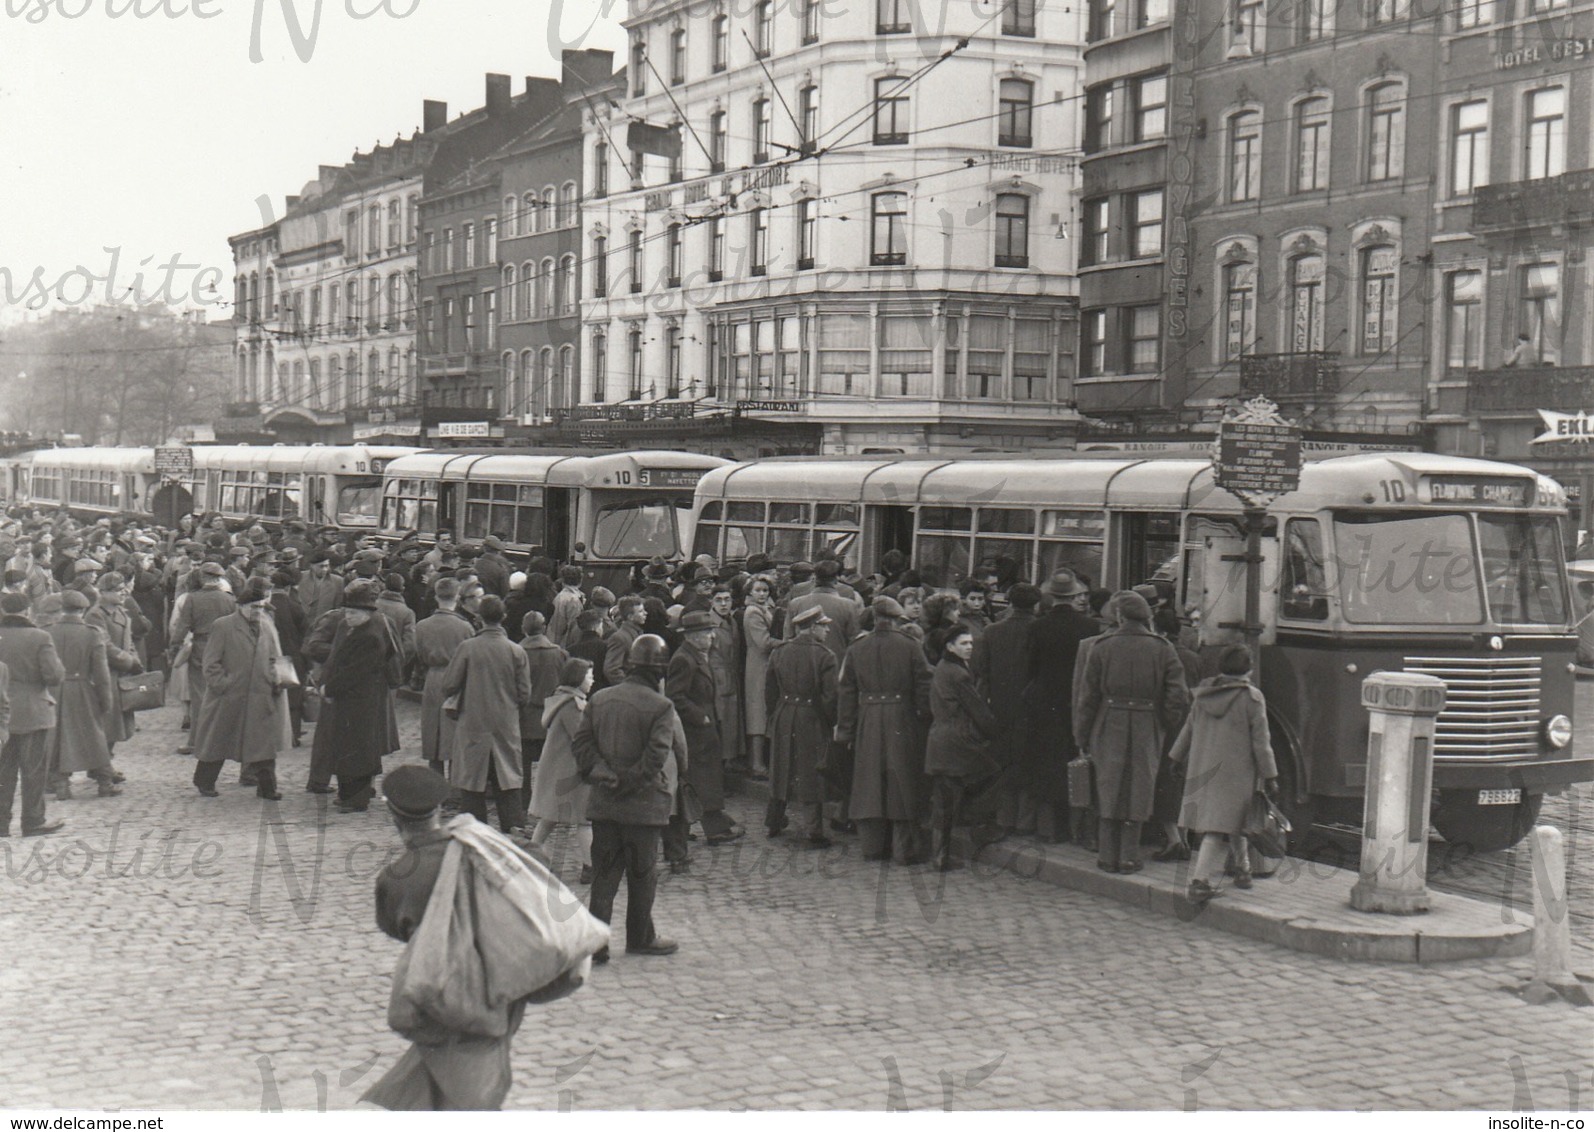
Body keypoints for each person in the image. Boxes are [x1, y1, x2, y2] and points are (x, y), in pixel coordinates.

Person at [363, 765, 603, 1111]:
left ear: (393, 816)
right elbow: (537, 860)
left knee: (462, 1088)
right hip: (500, 987)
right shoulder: (485, 845)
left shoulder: (396, 879)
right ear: (439, 808)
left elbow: (393, 927)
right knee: (462, 1078)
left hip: (442, 992)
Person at [573, 633, 682, 960]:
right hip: (643, 805)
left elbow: (581, 746)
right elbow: (656, 756)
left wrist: (605, 774)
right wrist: (629, 781)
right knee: (642, 875)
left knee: (604, 877)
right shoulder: (661, 706)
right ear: (659, 672)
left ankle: (597, 945)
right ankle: (640, 937)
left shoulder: (600, 698)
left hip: (604, 801)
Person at [1074, 591, 1190, 874]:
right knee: (1140, 787)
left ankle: (1106, 855)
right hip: (1147, 723)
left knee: (1108, 784)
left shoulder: (1101, 647)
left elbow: (1086, 698)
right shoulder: (1163, 648)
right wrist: (1164, 722)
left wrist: (1082, 735)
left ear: (1119, 616)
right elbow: (1178, 696)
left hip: (1107, 720)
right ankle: (1128, 857)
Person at [1169, 645, 1278, 904]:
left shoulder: (1205, 694)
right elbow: (1261, 742)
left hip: (1205, 769)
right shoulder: (1252, 698)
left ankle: (1243, 870)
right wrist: (1270, 774)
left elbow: (1188, 729)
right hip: (1237, 773)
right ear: (1249, 669)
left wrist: (1175, 757)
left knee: (1235, 820)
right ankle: (1200, 882)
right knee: (1218, 829)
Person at [836, 596, 933, 865]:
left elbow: (846, 693)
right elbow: (924, 684)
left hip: (868, 718)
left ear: (874, 619)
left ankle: (872, 847)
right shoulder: (910, 646)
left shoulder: (857, 648)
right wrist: (922, 715)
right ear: (896, 619)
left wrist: (846, 730)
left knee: (869, 783)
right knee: (901, 780)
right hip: (901, 718)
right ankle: (905, 850)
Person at [191, 578, 291, 801]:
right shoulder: (223, 625)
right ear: (241, 606)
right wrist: (224, 684)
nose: (257, 611)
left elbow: (276, 656)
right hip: (229, 696)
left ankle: (267, 787)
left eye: (261, 607)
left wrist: (277, 680)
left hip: (261, 694)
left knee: (263, 745)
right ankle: (204, 781)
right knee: (217, 741)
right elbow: (210, 663)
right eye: (253, 607)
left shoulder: (267, 625)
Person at [1020, 569, 1099, 844]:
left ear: (1051, 596)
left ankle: (1050, 828)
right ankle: (1077, 826)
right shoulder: (1090, 627)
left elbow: (1030, 668)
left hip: (1045, 702)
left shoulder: (1037, 627)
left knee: (1047, 761)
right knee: (1075, 759)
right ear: (1075, 595)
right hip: (1077, 701)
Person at [442, 595, 532, 834]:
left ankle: (475, 837)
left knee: (472, 785)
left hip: (473, 722)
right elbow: (525, 694)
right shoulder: (516, 651)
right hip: (505, 723)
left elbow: (449, 684)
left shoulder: (467, 648)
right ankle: (514, 838)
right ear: (503, 617)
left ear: (479, 618)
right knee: (509, 783)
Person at [315, 579, 405, 813]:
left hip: (359, 700)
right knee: (355, 748)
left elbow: (353, 671)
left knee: (356, 750)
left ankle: (355, 799)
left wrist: (329, 688)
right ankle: (351, 795)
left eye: (353, 613)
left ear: (366, 612)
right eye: (347, 612)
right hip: (359, 699)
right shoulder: (368, 627)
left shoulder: (369, 637)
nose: (348, 617)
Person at [665, 609, 743, 866]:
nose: (711, 636)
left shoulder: (697, 655)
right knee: (702, 777)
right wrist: (700, 716)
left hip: (705, 725)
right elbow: (676, 696)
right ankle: (713, 827)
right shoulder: (684, 660)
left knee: (705, 776)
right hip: (695, 728)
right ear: (693, 636)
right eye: (707, 632)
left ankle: (706, 822)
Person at [926, 624, 1004, 871]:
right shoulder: (959, 674)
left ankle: (940, 855)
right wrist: (994, 730)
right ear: (950, 647)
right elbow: (977, 709)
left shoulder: (943, 667)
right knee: (993, 774)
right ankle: (980, 830)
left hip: (939, 738)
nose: (970, 647)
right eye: (964, 644)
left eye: (971, 643)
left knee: (945, 799)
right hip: (958, 740)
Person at [971, 581, 1042, 834]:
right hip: (1031, 707)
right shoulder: (1038, 630)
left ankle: (1004, 817)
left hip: (1000, 706)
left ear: (1009, 602)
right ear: (1036, 604)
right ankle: (1025, 821)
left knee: (1002, 762)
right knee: (1028, 762)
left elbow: (981, 671)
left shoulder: (991, 631)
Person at [763, 605, 838, 846]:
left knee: (781, 766)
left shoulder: (780, 652)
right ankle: (813, 830)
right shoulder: (826, 655)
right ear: (813, 627)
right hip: (811, 717)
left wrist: (776, 714)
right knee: (810, 770)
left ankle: (773, 821)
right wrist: (830, 721)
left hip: (784, 713)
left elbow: (770, 690)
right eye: (824, 626)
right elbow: (831, 697)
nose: (826, 630)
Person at [0, 591, 63, 836]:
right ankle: (33, 820)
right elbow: (53, 676)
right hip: (34, 710)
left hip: (2, 714)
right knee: (34, 770)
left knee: (3, 771)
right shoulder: (40, 637)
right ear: (28, 611)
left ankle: (1, 823)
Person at [527, 657, 595, 883]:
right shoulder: (572, 705)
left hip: (558, 769)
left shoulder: (560, 700)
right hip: (572, 771)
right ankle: (589, 866)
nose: (592, 679)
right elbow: (581, 738)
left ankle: (531, 859)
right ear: (578, 679)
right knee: (584, 819)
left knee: (549, 817)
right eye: (589, 675)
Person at [48, 590, 119, 800]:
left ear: (62, 609)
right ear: (83, 610)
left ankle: (61, 784)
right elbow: (101, 673)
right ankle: (105, 783)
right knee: (94, 736)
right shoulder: (92, 633)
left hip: (55, 691)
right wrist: (106, 700)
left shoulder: (48, 631)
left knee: (59, 737)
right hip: (82, 689)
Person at [168, 561, 237, 755]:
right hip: (224, 649)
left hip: (200, 648)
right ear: (219, 578)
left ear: (203, 577)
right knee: (223, 693)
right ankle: (225, 739)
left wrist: (174, 647)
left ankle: (197, 741)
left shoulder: (192, 599)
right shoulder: (229, 599)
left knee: (199, 696)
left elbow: (182, 627)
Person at [414, 578, 475, 779]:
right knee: (455, 732)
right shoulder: (464, 627)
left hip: (433, 677)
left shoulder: (422, 626)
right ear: (457, 597)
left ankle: (435, 782)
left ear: (436, 596)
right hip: (458, 679)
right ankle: (456, 787)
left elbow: (419, 655)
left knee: (433, 731)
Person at [518, 611, 568, 808]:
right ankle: (551, 800)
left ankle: (524, 801)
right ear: (545, 627)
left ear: (524, 629)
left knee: (522, 763)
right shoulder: (558, 653)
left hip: (524, 715)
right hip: (551, 714)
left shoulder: (517, 652)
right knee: (553, 761)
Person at [740, 574, 778, 781]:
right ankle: (756, 763)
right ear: (750, 592)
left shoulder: (764, 609)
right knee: (757, 713)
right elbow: (763, 642)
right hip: (758, 666)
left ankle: (760, 761)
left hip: (765, 665)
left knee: (763, 711)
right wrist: (783, 642)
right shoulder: (753, 612)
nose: (762, 594)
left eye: (765, 590)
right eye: (758, 590)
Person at [786, 561, 859, 663]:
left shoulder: (796, 603)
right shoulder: (849, 606)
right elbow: (854, 642)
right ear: (836, 579)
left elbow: (787, 638)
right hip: (836, 666)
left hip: (801, 666)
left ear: (815, 578)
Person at [707, 586, 744, 774]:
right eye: (719, 600)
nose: (723, 604)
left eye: (727, 599)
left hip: (730, 678)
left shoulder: (731, 621)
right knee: (720, 724)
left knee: (729, 725)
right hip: (716, 680)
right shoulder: (709, 625)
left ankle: (725, 769)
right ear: (711, 602)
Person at [603, 596, 647, 688]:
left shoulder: (637, 633)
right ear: (630, 617)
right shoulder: (619, 637)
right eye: (640, 611)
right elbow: (611, 669)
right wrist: (629, 687)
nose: (645, 613)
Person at [548, 565, 587, 647]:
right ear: (580, 581)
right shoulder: (573, 600)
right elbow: (573, 627)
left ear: (563, 581)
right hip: (564, 644)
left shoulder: (560, 597)